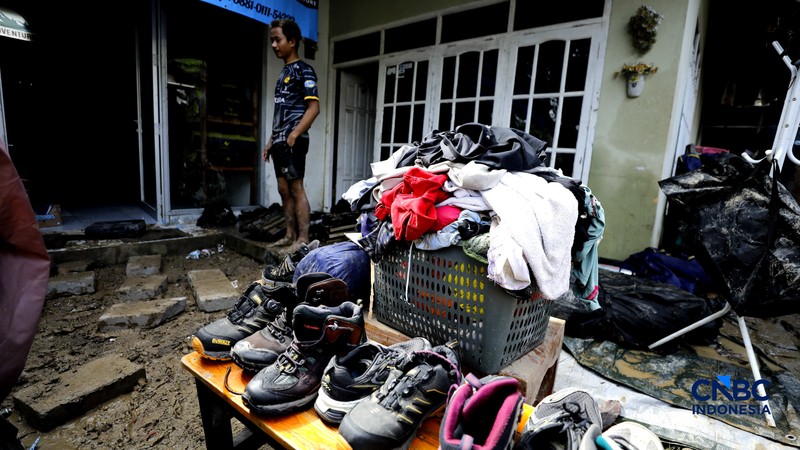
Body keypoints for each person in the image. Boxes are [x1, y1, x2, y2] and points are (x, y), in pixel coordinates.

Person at [262, 19, 319, 253]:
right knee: (283, 190)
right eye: (272, 41)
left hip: (293, 141)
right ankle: (289, 235)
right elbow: (280, 113)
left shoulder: (305, 70)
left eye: (278, 40)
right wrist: (270, 142)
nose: (274, 45)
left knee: (296, 188)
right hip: (280, 142)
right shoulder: (283, 73)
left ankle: (303, 239)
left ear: (292, 41)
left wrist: (295, 133)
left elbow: (314, 108)